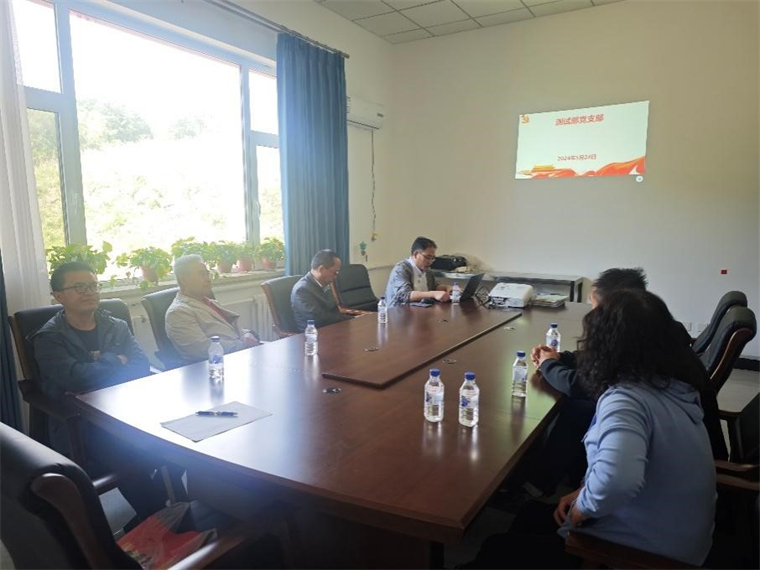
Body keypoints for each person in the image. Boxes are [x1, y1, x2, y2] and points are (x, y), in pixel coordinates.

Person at [467, 290, 717, 568]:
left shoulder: (626, 401)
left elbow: (618, 480)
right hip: (680, 537)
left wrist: (585, 506)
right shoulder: (671, 386)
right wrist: (585, 490)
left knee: (496, 548)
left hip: (641, 553)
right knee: (530, 517)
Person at [521, 268, 726, 500]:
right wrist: (561, 357)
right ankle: (566, 474)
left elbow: (580, 385)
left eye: (595, 307)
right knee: (578, 409)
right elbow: (602, 360)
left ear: (615, 309)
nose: (593, 315)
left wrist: (548, 365)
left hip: (674, 460)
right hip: (682, 436)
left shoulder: (640, 355)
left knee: (576, 408)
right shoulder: (656, 329)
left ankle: (541, 482)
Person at [31, 262, 166, 523]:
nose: (89, 292)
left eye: (93, 285)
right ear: (58, 295)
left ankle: (165, 512)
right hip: (82, 422)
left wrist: (97, 370)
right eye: (79, 287)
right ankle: (160, 517)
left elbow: (139, 365)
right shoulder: (48, 337)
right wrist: (116, 360)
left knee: (177, 437)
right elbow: (75, 378)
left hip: (125, 409)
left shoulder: (116, 325)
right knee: (125, 452)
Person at [166, 255, 260, 362]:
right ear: (183, 280)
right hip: (215, 365)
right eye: (201, 274)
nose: (208, 279)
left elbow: (230, 329)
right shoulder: (178, 312)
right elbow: (201, 349)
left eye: (207, 274)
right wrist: (243, 345)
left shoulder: (209, 302)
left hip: (239, 355)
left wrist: (246, 334)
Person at [291, 250, 361, 331]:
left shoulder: (325, 284)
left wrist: (353, 319)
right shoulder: (302, 290)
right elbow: (318, 319)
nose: (335, 277)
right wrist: (349, 319)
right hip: (314, 334)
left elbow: (334, 311)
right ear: (321, 269)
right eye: (335, 273)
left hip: (332, 328)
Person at [384, 236, 452, 307]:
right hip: (399, 311)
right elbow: (405, 295)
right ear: (416, 254)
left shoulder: (427, 270)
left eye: (432, 258)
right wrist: (433, 294)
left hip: (421, 309)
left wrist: (447, 288)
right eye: (428, 257)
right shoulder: (401, 269)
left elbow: (435, 286)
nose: (430, 261)